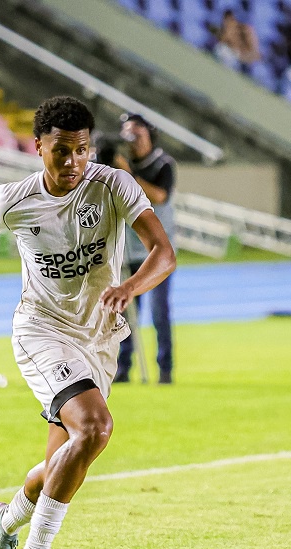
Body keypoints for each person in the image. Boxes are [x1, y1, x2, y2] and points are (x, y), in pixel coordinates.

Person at [0, 96, 176, 549]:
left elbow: (163, 252)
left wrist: (129, 287)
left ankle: (5, 521)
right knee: (96, 427)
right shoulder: (14, 199)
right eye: (61, 151)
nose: (73, 162)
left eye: (82, 150)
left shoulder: (112, 185)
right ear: (38, 147)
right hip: (42, 329)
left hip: (98, 338)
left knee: (62, 461)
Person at [112, 113, 177, 385]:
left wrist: (128, 175)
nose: (133, 140)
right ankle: (123, 368)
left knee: (159, 311)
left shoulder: (163, 164)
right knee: (125, 313)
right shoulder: (119, 164)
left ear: (150, 135)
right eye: (128, 135)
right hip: (128, 249)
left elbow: (160, 196)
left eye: (138, 134)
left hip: (156, 251)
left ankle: (165, 368)